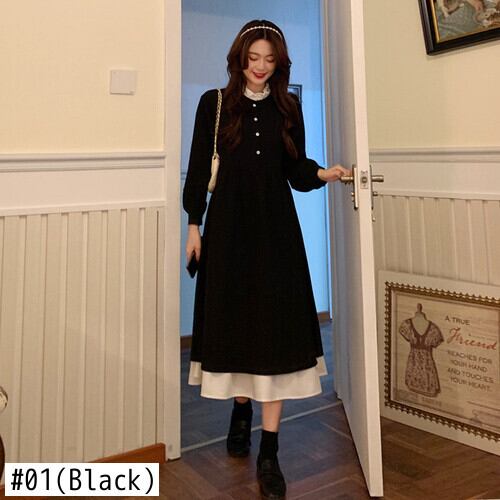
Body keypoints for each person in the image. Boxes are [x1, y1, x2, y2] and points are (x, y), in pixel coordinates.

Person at [183, 19, 350, 500]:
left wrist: (323, 173)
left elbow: (295, 169)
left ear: (279, 64)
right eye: (253, 58)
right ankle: (241, 410)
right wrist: (194, 226)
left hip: (277, 233)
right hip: (228, 231)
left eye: (269, 60)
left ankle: (270, 452)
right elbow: (198, 167)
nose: (259, 67)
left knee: (275, 330)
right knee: (238, 325)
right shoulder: (214, 104)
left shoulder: (288, 107)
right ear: (239, 59)